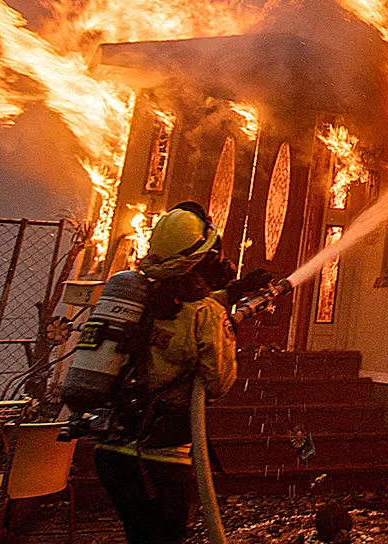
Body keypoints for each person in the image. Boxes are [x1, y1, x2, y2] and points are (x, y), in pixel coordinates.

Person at [91, 202, 267, 544]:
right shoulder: (206, 316)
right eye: (212, 252)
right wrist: (224, 327)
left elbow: (177, 311)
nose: (219, 258)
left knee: (139, 535)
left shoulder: (138, 293)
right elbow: (218, 381)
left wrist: (234, 290)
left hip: (112, 451)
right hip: (160, 457)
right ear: (198, 258)